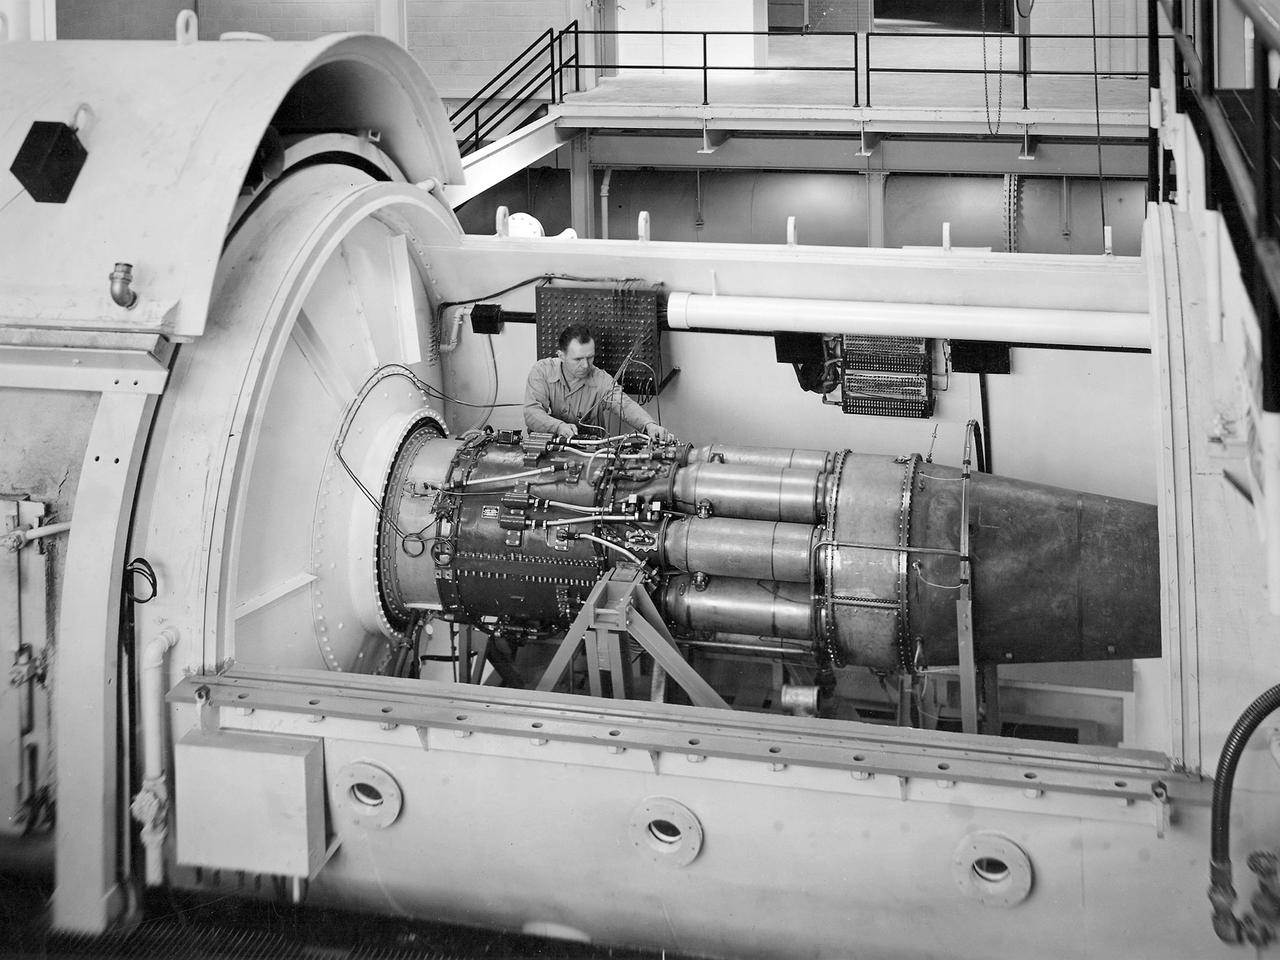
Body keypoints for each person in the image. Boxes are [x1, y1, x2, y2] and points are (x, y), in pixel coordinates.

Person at [524, 324, 673, 441]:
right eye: (578, 359)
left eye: (590, 357)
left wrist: (649, 425)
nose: (585, 365)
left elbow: (624, 405)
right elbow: (531, 413)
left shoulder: (601, 380)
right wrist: (558, 427)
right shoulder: (542, 371)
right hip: (547, 448)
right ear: (561, 355)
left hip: (589, 453)